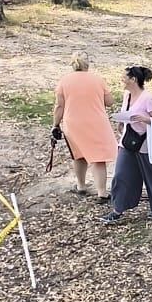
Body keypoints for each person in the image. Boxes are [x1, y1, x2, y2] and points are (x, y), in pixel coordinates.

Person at [103, 64, 152, 224]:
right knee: (121, 175)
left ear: (133, 79)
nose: (122, 79)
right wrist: (121, 122)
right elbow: (127, 113)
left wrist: (145, 120)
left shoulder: (148, 98)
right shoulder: (127, 95)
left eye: (125, 77)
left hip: (145, 143)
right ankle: (117, 209)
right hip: (127, 141)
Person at [52, 53, 117, 200]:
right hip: (96, 122)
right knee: (98, 157)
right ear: (88, 64)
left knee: (78, 155)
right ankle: (102, 192)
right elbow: (110, 101)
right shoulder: (98, 80)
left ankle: (81, 186)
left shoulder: (64, 81)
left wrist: (55, 124)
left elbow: (59, 106)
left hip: (73, 123)